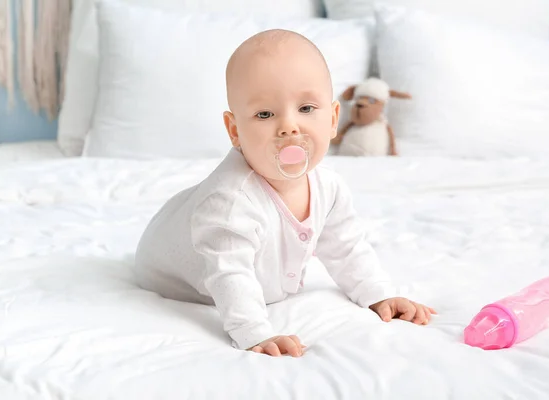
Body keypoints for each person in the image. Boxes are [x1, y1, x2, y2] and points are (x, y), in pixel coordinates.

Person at [134, 29, 436, 358]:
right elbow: (228, 272)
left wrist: (378, 294)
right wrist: (254, 333)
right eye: (265, 114)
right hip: (172, 274)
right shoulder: (228, 203)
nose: (289, 127)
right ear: (235, 131)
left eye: (306, 108)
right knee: (224, 248)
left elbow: (346, 247)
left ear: (333, 119)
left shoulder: (329, 187)